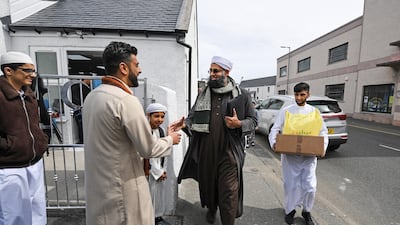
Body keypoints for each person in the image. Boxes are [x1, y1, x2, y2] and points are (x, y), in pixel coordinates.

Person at [82, 41, 183, 225]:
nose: (140, 70)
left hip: (99, 187)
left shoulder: (92, 97)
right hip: (122, 187)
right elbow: (148, 148)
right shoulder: (125, 100)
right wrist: (170, 139)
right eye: (136, 65)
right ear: (123, 67)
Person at [177, 56, 257, 225]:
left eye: (216, 71)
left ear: (226, 72)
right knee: (209, 186)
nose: (212, 74)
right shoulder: (204, 94)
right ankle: (212, 209)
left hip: (229, 153)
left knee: (229, 191)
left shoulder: (242, 95)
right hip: (206, 151)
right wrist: (184, 124)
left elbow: (253, 121)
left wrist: (239, 124)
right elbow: (192, 118)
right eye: (210, 71)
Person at [268, 82, 328, 225]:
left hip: (309, 157)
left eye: (302, 94)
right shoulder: (286, 111)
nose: (299, 97)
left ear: (308, 94)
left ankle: (307, 211)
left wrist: (323, 148)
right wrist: (274, 143)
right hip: (290, 158)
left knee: (310, 186)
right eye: (296, 94)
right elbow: (275, 129)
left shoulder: (314, 112)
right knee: (291, 185)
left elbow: (323, 132)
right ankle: (290, 210)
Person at [0, 51, 49, 225]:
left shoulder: (28, 94)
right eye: (27, 70)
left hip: (34, 162)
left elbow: (34, 124)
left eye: (33, 71)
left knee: (37, 212)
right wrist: (9, 145)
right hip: (9, 166)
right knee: (13, 216)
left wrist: (42, 140)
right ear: (8, 70)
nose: (32, 75)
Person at [145, 103, 172, 225]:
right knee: (149, 197)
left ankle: (158, 218)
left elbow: (163, 152)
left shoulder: (160, 131)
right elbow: (148, 154)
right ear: (148, 116)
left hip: (159, 170)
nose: (160, 120)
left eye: (162, 116)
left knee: (159, 196)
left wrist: (163, 170)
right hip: (149, 172)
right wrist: (157, 172)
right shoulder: (146, 132)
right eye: (156, 116)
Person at [71, 79, 91, 144]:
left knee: (80, 126)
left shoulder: (75, 86)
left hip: (77, 109)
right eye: (89, 79)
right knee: (82, 126)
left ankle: (82, 140)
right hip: (81, 108)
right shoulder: (83, 87)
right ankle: (83, 140)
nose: (90, 81)